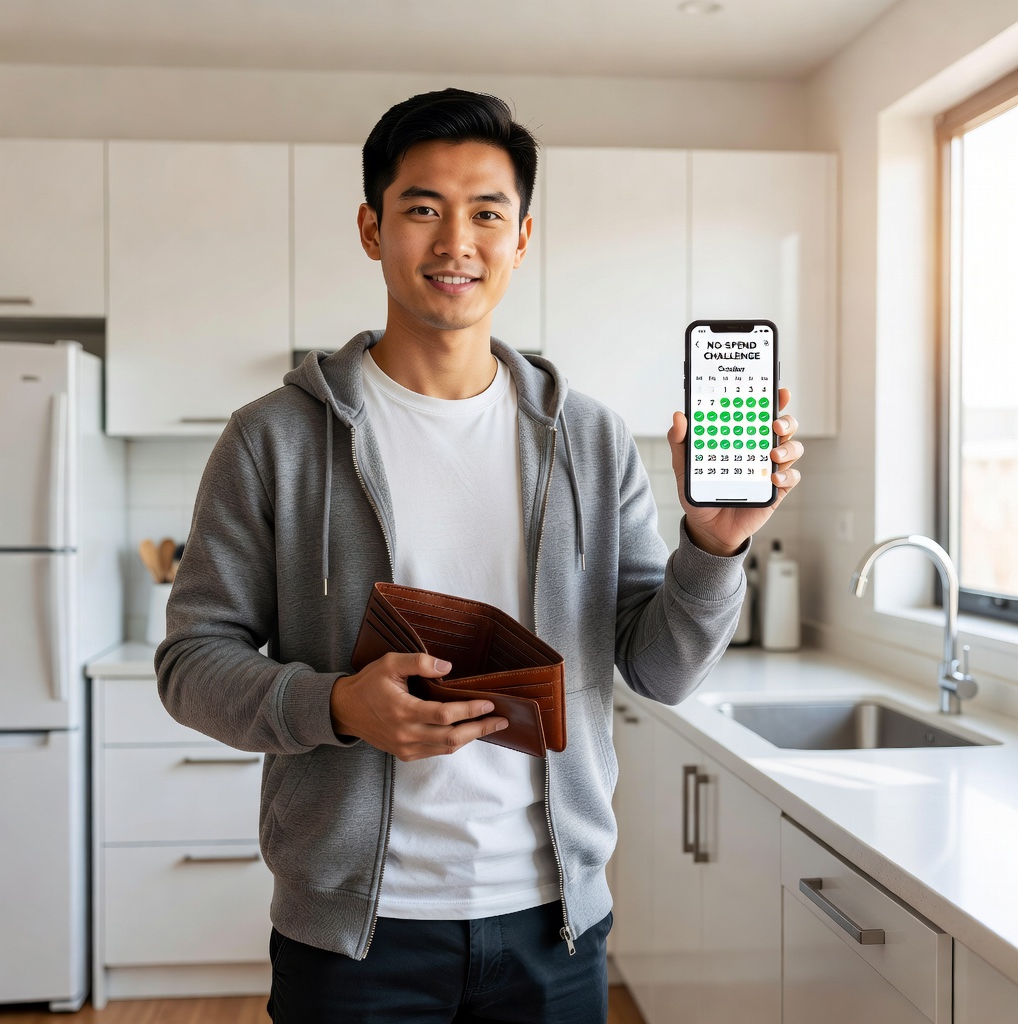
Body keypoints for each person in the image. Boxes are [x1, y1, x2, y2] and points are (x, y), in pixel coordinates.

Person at [156, 87, 803, 1024]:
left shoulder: (587, 438)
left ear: (523, 237)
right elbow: (189, 665)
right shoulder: (274, 439)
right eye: (422, 208)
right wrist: (338, 704)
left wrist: (713, 544)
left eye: (487, 212)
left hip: (554, 922)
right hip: (354, 935)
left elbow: (659, 671)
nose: (456, 241)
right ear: (373, 229)